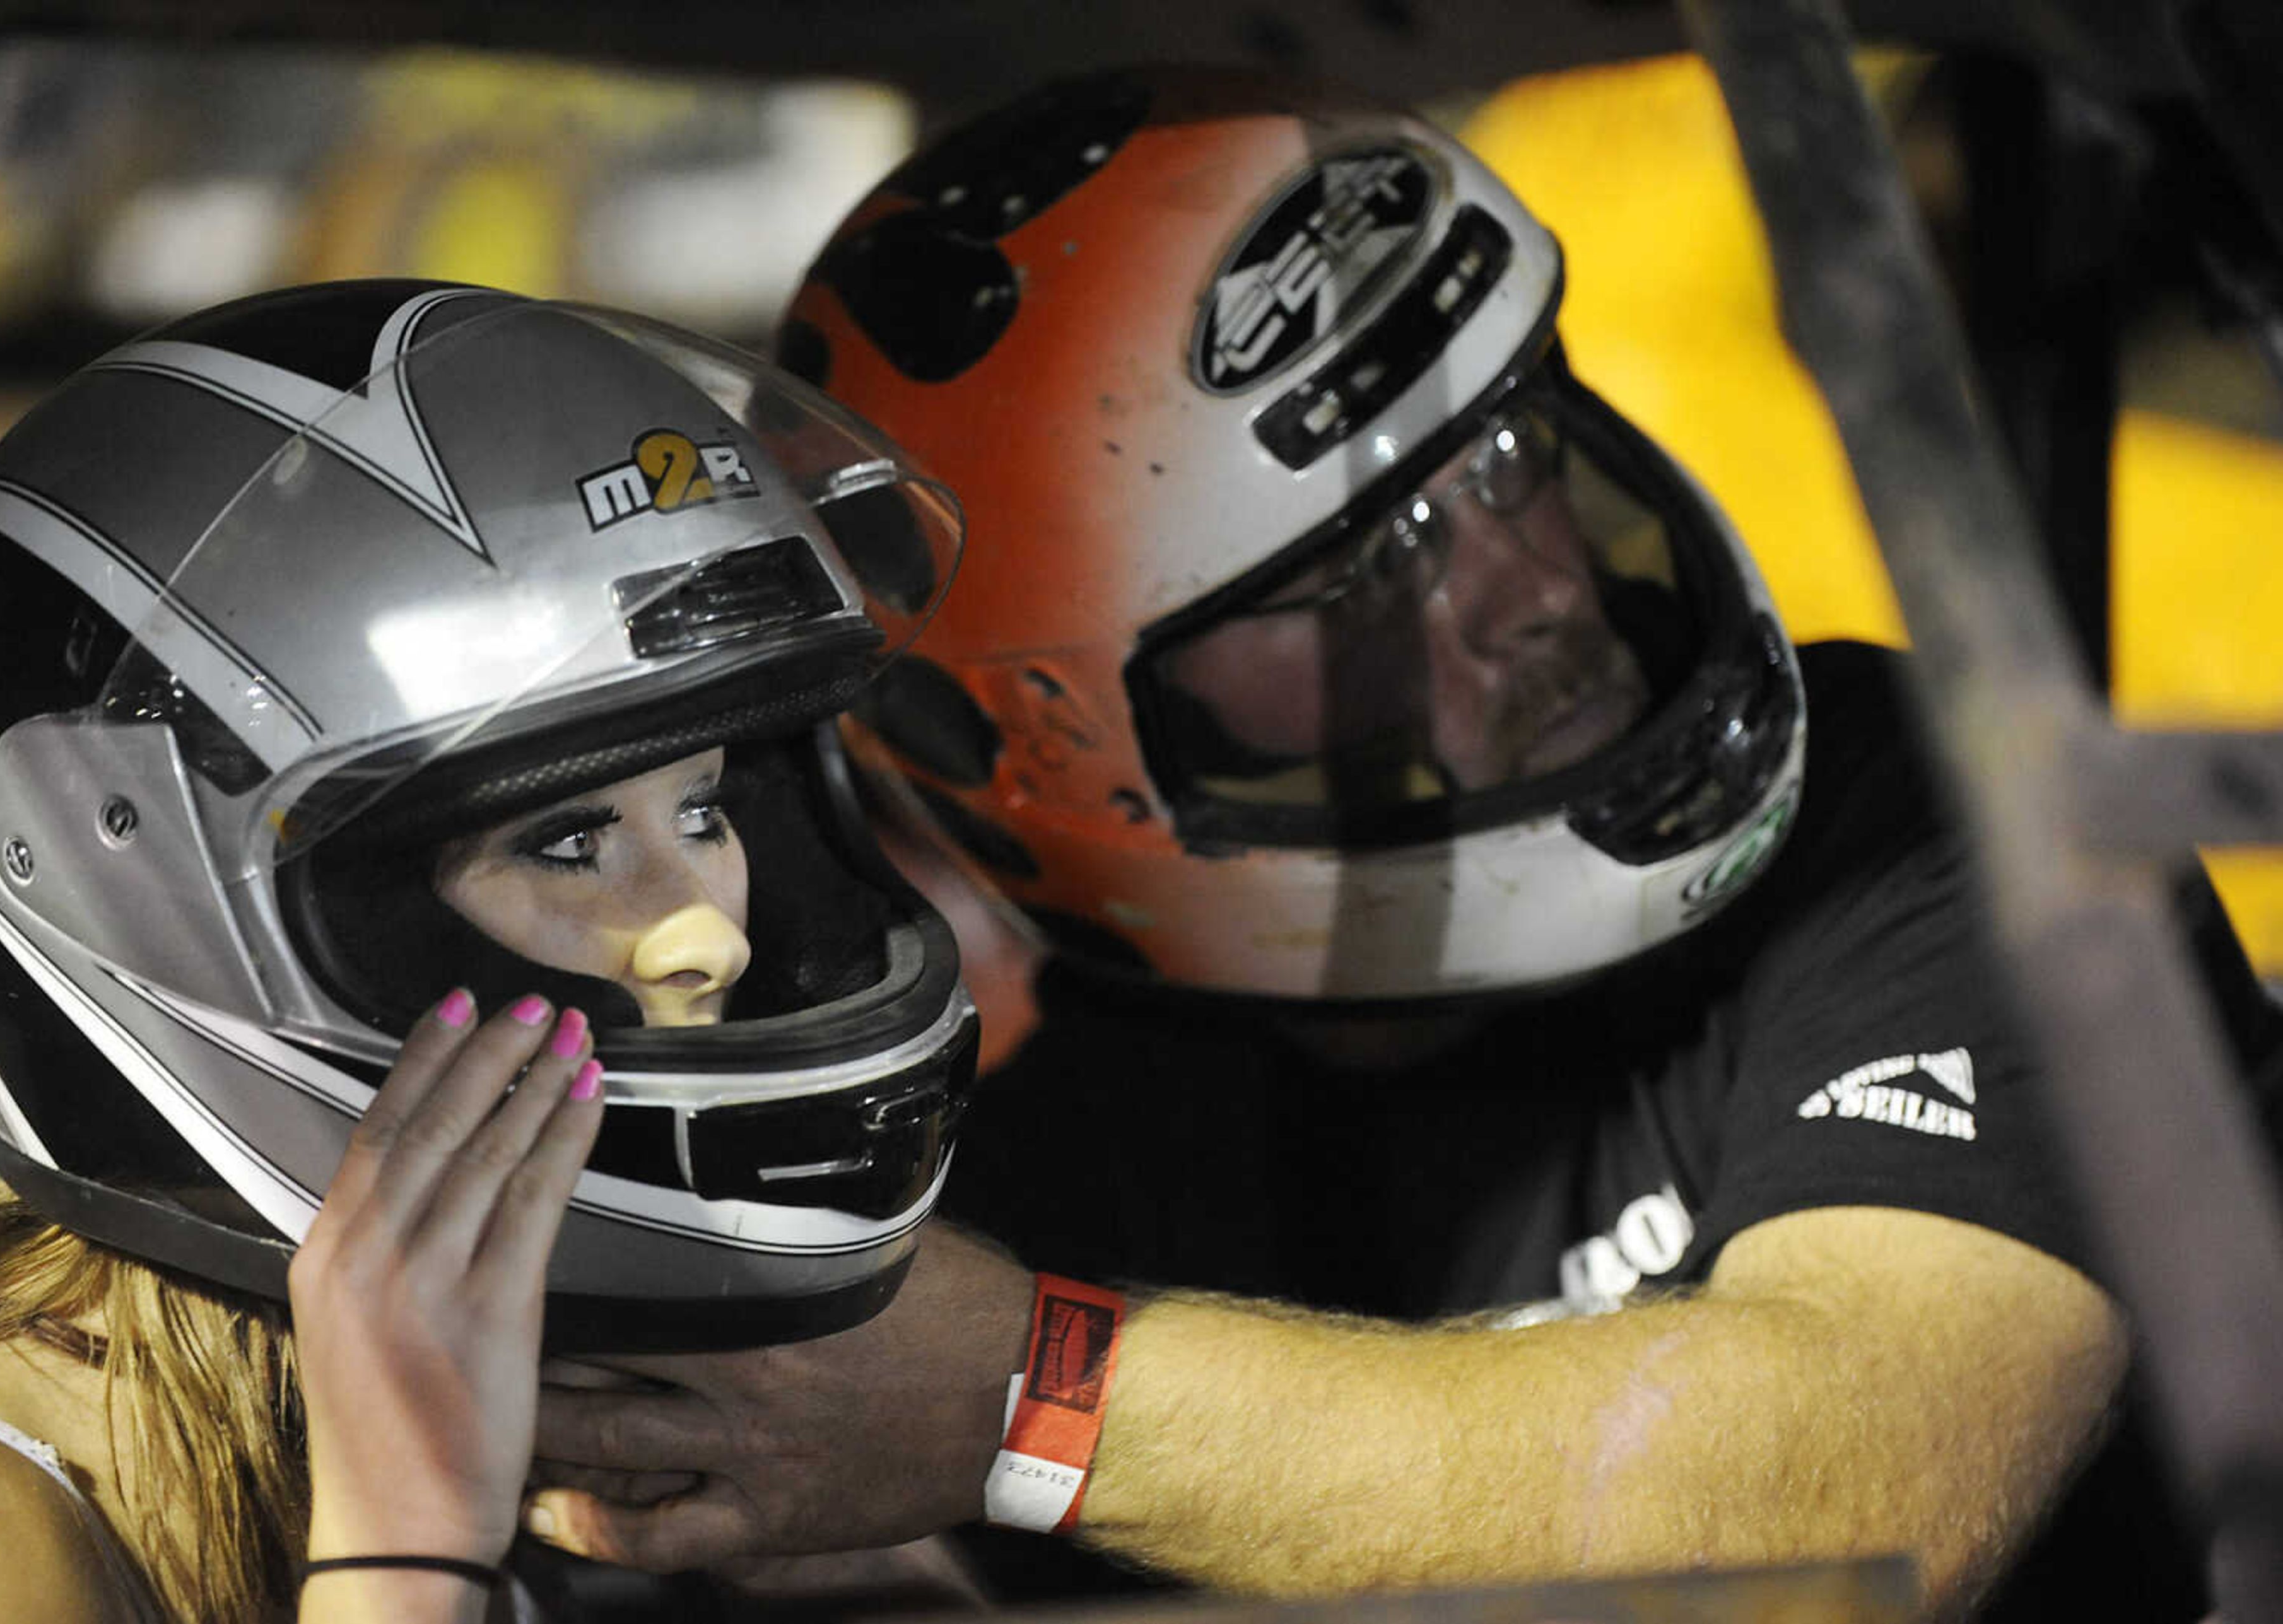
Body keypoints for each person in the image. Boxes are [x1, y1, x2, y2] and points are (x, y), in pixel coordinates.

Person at [519, 67, 2145, 1621]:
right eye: (1366, 572)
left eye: (1514, 453)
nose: (1542, 592)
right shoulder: (1010, 1207)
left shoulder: (1930, 805)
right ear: (1053, 735)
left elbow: (1867, 1509)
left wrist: (1030, 1393)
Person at [0, 278, 977, 1621]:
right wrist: (406, 1558)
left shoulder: (673, 1430)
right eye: (569, 842)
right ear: (181, 923)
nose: (706, 937)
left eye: (706, 805)